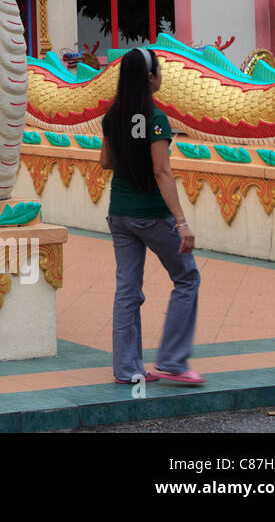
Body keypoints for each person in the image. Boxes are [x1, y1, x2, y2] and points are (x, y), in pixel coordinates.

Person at [98, 47, 204, 386]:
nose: (161, 76)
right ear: (149, 78)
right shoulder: (155, 118)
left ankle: (127, 369)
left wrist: (128, 147)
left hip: (120, 215)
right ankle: (172, 361)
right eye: (158, 71)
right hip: (152, 215)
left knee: (127, 290)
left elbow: (104, 162)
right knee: (186, 278)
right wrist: (182, 222)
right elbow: (162, 171)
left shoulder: (112, 117)